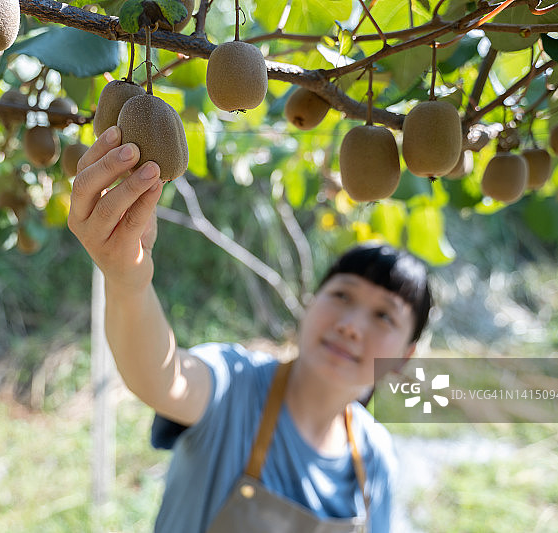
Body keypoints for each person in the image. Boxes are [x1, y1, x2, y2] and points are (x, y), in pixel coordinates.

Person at [68, 126, 433, 533]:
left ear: (404, 357)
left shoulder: (375, 455)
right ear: (311, 304)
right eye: (342, 297)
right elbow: (163, 378)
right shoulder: (237, 386)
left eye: (384, 317)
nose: (350, 326)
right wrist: (127, 279)